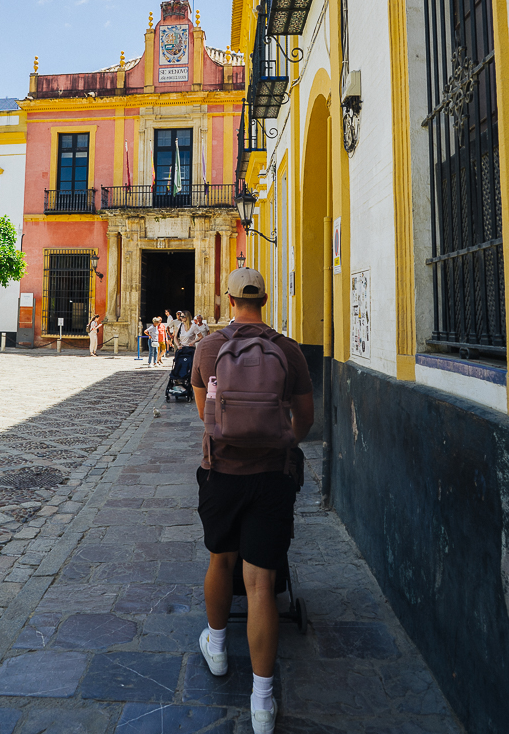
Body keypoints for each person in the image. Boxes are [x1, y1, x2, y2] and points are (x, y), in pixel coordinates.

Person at [191, 268, 314, 734]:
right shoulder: (288, 350)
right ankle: (263, 703)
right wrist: (283, 442)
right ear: (265, 299)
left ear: (228, 299)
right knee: (262, 583)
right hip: (272, 476)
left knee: (220, 561)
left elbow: (206, 413)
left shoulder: (207, 348)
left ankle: (218, 648)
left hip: (221, 473)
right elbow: (305, 417)